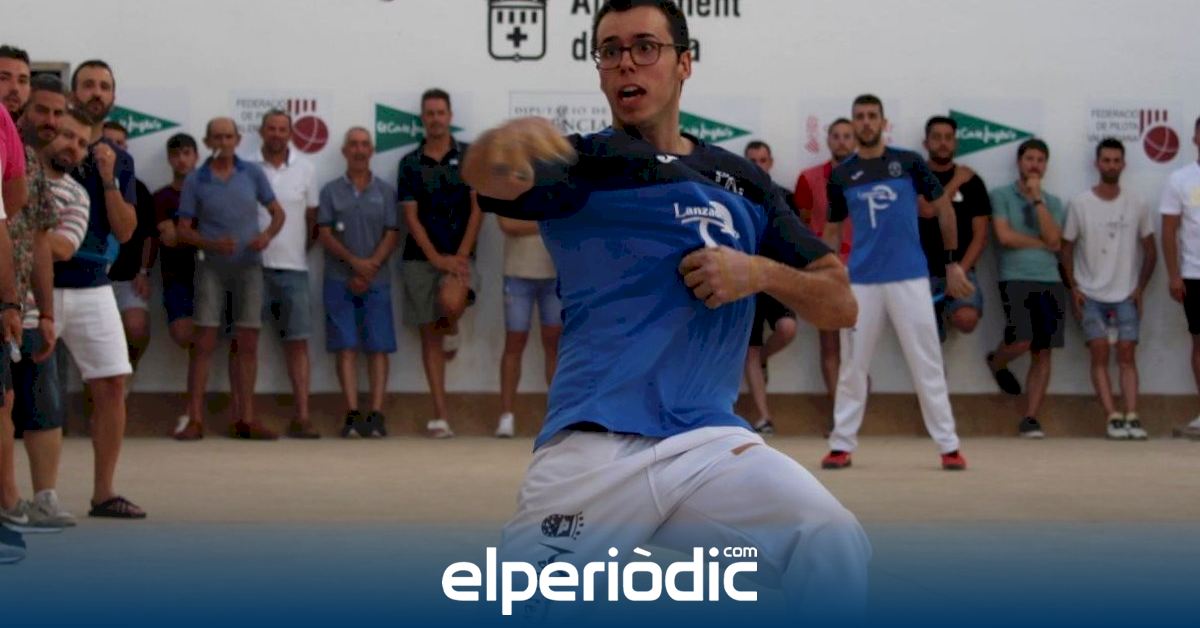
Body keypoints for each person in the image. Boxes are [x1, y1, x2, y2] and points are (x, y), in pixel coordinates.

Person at [462, 1, 869, 620]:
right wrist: (501, 141)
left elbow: (841, 303)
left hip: (707, 445)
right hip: (593, 449)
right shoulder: (578, 166)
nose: (626, 62)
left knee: (830, 537)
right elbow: (486, 178)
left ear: (684, 63)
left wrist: (757, 272)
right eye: (611, 50)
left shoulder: (743, 182)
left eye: (645, 47)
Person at [821, 95, 970, 471]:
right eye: (859, 117)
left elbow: (943, 208)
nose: (866, 122)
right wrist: (828, 276)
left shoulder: (909, 163)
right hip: (861, 282)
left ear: (883, 123)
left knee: (927, 363)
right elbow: (833, 230)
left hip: (910, 278)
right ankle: (841, 444)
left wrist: (952, 264)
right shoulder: (841, 175)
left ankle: (949, 446)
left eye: (872, 116)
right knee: (853, 366)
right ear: (853, 123)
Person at [58, 60, 143, 518]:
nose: (96, 92)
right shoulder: (45, 147)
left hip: (93, 285)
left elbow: (126, 231)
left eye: (104, 86)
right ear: (73, 93)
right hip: (39, 282)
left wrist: (108, 177)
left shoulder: (120, 159)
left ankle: (104, 493)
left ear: (113, 97)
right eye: (88, 84)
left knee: (112, 383)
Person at [176, 117, 284, 441]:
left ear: (237, 140)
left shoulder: (252, 173)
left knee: (248, 341)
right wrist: (211, 244)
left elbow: (278, 213)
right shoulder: (196, 179)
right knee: (204, 342)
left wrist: (266, 236)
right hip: (211, 267)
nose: (223, 142)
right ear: (207, 142)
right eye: (217, 137)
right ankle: (195, 419)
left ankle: (246, 418)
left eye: (228, 136)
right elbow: (183, 230)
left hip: (249, 266)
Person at [5, 73, 70, 529]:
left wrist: (45, 312)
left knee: (41, 401)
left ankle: (44, 498)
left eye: (21, 81)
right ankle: (8, 502)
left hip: (21, 307)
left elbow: (41, 239)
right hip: (3, 303)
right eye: (4, 78)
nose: (14, 88)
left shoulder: (28, 159)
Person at [398, 89, 482, 438]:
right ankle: (440, 416)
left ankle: (453, 327)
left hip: (460, 257)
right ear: (423, 118)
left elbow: (478, 208)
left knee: (449, 305)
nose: (435, 119)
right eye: (429, 113)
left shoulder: (469, 156)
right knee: (428, 336)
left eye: (440, 113)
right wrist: (435, 258)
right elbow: (410, 216)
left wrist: (459, 257)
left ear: (449, 116)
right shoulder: (409, 162)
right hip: (420, 259)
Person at [1062, 138, 1155, 440]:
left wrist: (1140, 288)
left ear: (1124, 164)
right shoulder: (1080, 204)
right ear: (1097, 164)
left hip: (1126, 294)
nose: (1112, 166)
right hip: (1089, 295)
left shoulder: (1138, 203)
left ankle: (1132, 416)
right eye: (1106, 160)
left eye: (1116, 161)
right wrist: (1074, 287)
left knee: (1127, 353)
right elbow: (1065, 249)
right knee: (1099, 351)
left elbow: (1150, 250)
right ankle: (1112, 417)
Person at [154, 133, 241, 439]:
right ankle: (194, 412)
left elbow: (190, 233)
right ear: (170, 159)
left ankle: (202, 415)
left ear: (196, 156)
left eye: (187, 153)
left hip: (215, 275)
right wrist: (205, 237)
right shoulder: (161, 197)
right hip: (177, 278)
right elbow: (169, 236)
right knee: (186, 335)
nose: (182, 159)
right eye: (176, 154)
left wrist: (191, 235)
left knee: (233, 342)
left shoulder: (211, 193)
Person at [317, 128, 399, 438]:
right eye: (353, 144)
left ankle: (376, 415)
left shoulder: (386, 191)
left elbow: (392, 232)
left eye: (365, 144)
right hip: (339, 279)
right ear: (344, 151)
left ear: (372, 151)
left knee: (378, 348)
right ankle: (352, 414)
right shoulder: (330, 191)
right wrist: (355, 264)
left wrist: (370, 266)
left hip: (377, 280)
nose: (359, 150)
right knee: (346, 346)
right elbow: (325, 234)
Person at [985, 139, 1067, 438]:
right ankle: (997, 362)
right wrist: (1041, 243)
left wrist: (1037, 200)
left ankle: (1030, 417)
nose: (1034, 165)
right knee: (1021, 341)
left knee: (1042, 351)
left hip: (1050, 280)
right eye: (1029, 159)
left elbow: (1055, 242)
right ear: (1019, 162)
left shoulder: (1053, 202)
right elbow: (1005, 237)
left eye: (1040, 160)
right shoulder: (1001, 195)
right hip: (1015, 277)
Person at [253, 109, 319, 438]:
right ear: (261, 131)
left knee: (298, 345)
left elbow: (312, 220)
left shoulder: (307, 169)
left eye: (282, 129)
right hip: (252, 269)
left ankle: (302, 417)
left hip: (294, 269)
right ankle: (245, 417)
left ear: (290, 134)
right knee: (245, 344)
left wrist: (296, 251)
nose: (277, 134)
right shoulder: (246, 167)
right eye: (271, 128)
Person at [794, 118, 856, 404]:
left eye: (847, 136)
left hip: (864, 269)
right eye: (836, 136)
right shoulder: (809, 179)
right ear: (828, 140)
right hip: (825, 268)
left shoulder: (872, 178)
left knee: (858, 348)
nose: (842, 141)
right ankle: (839, 413)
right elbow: (803, 225)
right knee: (829, 343)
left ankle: (854, 412)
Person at [740, 140, 797, 433]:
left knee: (787, 328)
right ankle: (764, 418)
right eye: (752, 160)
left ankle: (762, 359)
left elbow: (796, 238)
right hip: (744, 280)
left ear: (770, 162)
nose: (757, 165)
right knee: (749, 349)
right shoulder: (732, 194)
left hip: (776, 276)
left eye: (762, 160)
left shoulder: (785, 197)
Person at [920, 115, 991, 341]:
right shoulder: (915, 176)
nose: (943, 143)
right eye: (937, 137)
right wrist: (956, 181)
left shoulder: (973, 182)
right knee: (927, 339)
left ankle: (947, 311)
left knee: (967, 318)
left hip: (960, 266)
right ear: (926, 143)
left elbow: (980, 235)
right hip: (921, 270)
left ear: (955, 143)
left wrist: (959, 272)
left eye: (948, 138)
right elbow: (928, 210)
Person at [495, 197, 561, 438]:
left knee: (554, 344)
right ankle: (506, 416)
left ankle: (557, 417)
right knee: (514, 341)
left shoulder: (556, 182)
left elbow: (568, 219)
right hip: (517, 272)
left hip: (554, 272)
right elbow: (508, 224)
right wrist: (547, 222)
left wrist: (529, 223)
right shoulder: (509, 183)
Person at [100, 121, 158, 383]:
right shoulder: (81, 181)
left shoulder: (139, 188)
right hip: (91, 278)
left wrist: (144, 272)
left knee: (137, 328)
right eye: (108, 142)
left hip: (127, 278)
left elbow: (148, 235)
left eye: (120, 143)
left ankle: (126, 375)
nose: (115, 148)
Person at [1159, 115, 1200, 440]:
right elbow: (1169, 230)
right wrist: (1174, 275)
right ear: (1196, 139)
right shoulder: (1180, 179)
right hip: (1194, 273)